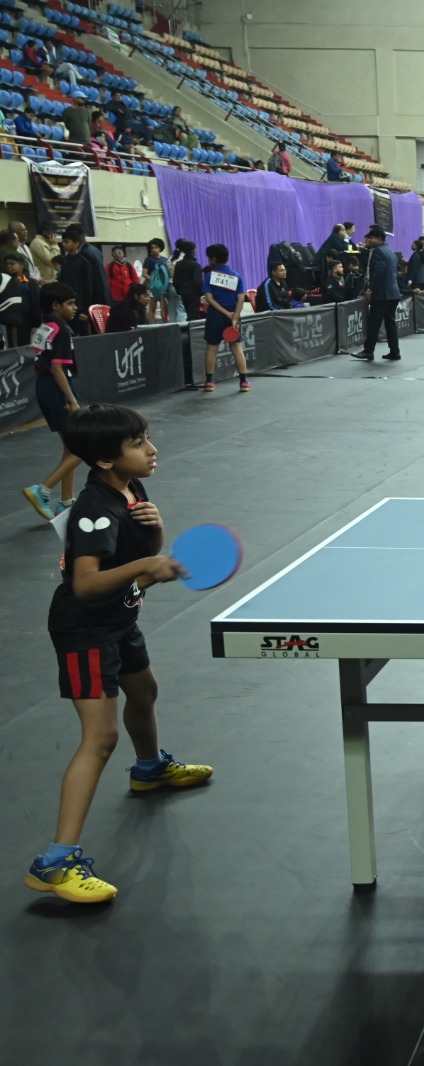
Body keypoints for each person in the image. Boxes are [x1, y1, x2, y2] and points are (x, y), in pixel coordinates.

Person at [25, 402, 211, 905]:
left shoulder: (131, 489)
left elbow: (139, 556)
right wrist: (145, 566)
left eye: (147, 437)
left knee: (144, 692)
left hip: (119, 619)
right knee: (100, 738)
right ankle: (55, 863)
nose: (151, 449)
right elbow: (84, 583)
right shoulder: (94, 509)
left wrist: (155, 532)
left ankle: (149, 769)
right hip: (86, 631)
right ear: (106, 459)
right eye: (138, 443)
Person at [21, 283, 83, 521]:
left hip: (45, 386)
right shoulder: (63, 329)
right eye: (70, 303)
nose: (75, 308)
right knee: (82, 447)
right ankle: (42, 490)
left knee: (70, 447)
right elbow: (57, 368)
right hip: (58, 388)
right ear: (56, 305)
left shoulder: (45, 326)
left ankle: (66, 502)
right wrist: (72, 400)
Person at [197, 244, 251, 392]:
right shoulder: (237, 276)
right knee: (237, 348)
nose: (209, 260)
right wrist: (234, 316)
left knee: (212, 348)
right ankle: (244, 382)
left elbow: (209, 299)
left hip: (216, 316)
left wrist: (225, 313)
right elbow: (241, 299)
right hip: (233, 314)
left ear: (214, 259)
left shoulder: (210, 276)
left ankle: (209, 382)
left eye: (209, 258)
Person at [357, 225, 402, 362]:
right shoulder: (390, 252)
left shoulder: (378, 252)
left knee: (373, 323)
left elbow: (378, 273)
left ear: (378, 238)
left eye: (371, 238)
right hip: (393, 293)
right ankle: (395, 351)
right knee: (390, 323)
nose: (368, 240)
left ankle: (368, 351)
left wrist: (370, 289)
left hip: (382, 294)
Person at [55, 226, 110, 336]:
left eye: (67, 242)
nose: (64, 245)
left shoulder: (84, 258)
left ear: (76, 243)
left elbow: (87, 287)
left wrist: (84, 309)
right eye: (63, 242)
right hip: (70, 304)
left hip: (83, 304)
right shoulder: (65, 261)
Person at [0, 252, 37, 347]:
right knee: (15, 345)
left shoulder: (30, 282)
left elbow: (35, 301)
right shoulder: (6, 282)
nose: (9, 266)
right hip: (13, 320)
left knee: (28, 345)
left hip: (28, 319)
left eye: (12, 263)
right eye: (7, 264)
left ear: (21, 265)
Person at [170, 239, 203, 323]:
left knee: (187, 312)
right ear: (193, 251)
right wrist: (200, 293)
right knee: (194, 314)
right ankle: (192, 330)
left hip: (183, 292)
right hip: (193, 293)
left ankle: (187, 328)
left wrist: (179, 291)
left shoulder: (178, 264)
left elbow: (175, 280)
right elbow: (198, 282)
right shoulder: (195, 265)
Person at [141, 239, 173, 323]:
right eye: (152, 248)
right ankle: (151, 326)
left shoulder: (164, 260)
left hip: (164, 287)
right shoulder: (148, 259)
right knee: (152, 307)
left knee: (164, 307)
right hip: (153, 287)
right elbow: (144, 274)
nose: (154, 249)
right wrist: (154, 281)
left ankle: (165, 324)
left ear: (160, 248)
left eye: (156, 247)